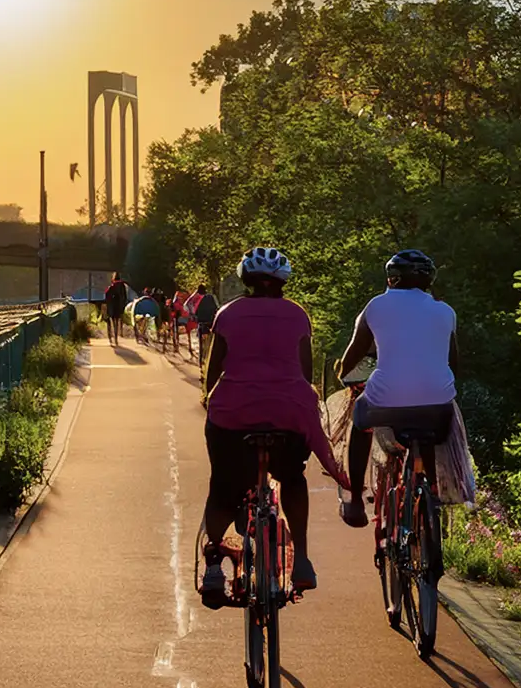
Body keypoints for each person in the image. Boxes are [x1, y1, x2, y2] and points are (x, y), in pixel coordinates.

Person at [200, 247, 349, 609]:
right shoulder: (298, 316)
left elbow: (212, 372)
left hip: (234, 414)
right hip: (288, 414)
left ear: (246, 281)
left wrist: (209, 398)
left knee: (222, 486)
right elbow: (304, 372)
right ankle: (301, 560)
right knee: (293, 477)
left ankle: (214, 567)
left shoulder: (228, 314)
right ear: (283, 282)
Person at [336, 248, 458, 528]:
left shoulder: (376, 306)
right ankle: (433, 493)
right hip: (438, 408)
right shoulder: (445, 311)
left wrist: (343, 376)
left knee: (360, 422)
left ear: (391, 279)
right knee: (428, 424)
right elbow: (453, 363)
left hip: (385, 403)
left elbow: (353, 354)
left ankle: (355, 500)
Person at [191, 283, 220, 375]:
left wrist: (194, 316)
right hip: (211, 326)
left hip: (202, 325)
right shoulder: (211, 298)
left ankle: (201, 365)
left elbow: (191, 309)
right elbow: (217, 309)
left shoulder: (198, 300)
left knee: (201, 346)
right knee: (212, 346)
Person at [104, 271, 129, 346]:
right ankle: (116, 338)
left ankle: (110, 337)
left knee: (109, 321)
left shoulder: (112, 286)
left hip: (111, 306)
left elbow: (107, 295)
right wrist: (123, 305)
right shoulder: (122, 286)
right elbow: (124, 297)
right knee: (116, 322)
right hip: (118, 306)